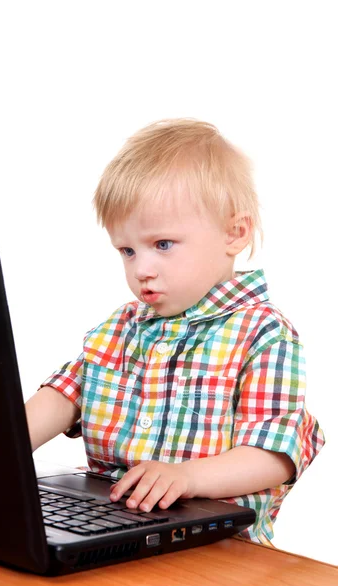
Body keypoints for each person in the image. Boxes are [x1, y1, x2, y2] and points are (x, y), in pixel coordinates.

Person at [25, 119, 325, 544]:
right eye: (127, 251)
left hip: (215, 550)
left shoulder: (263, 333)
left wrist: (186, 477)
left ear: (234, 234)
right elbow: (60, 398)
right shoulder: (120, 329)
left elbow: (274, 456)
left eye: (163, 244)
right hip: (114, 522)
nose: (141, 269)